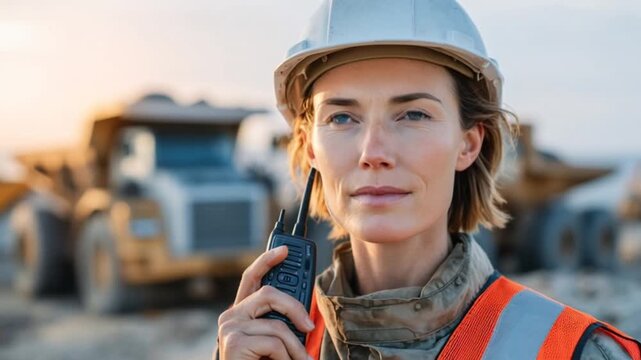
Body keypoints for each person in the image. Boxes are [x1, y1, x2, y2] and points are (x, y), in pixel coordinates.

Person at [215, 0, 641, 359]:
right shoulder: (269, 340)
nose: (373, 152)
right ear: (310, 149)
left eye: (413, 114)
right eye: (342, 117)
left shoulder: (572, 350)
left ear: (468, 144)